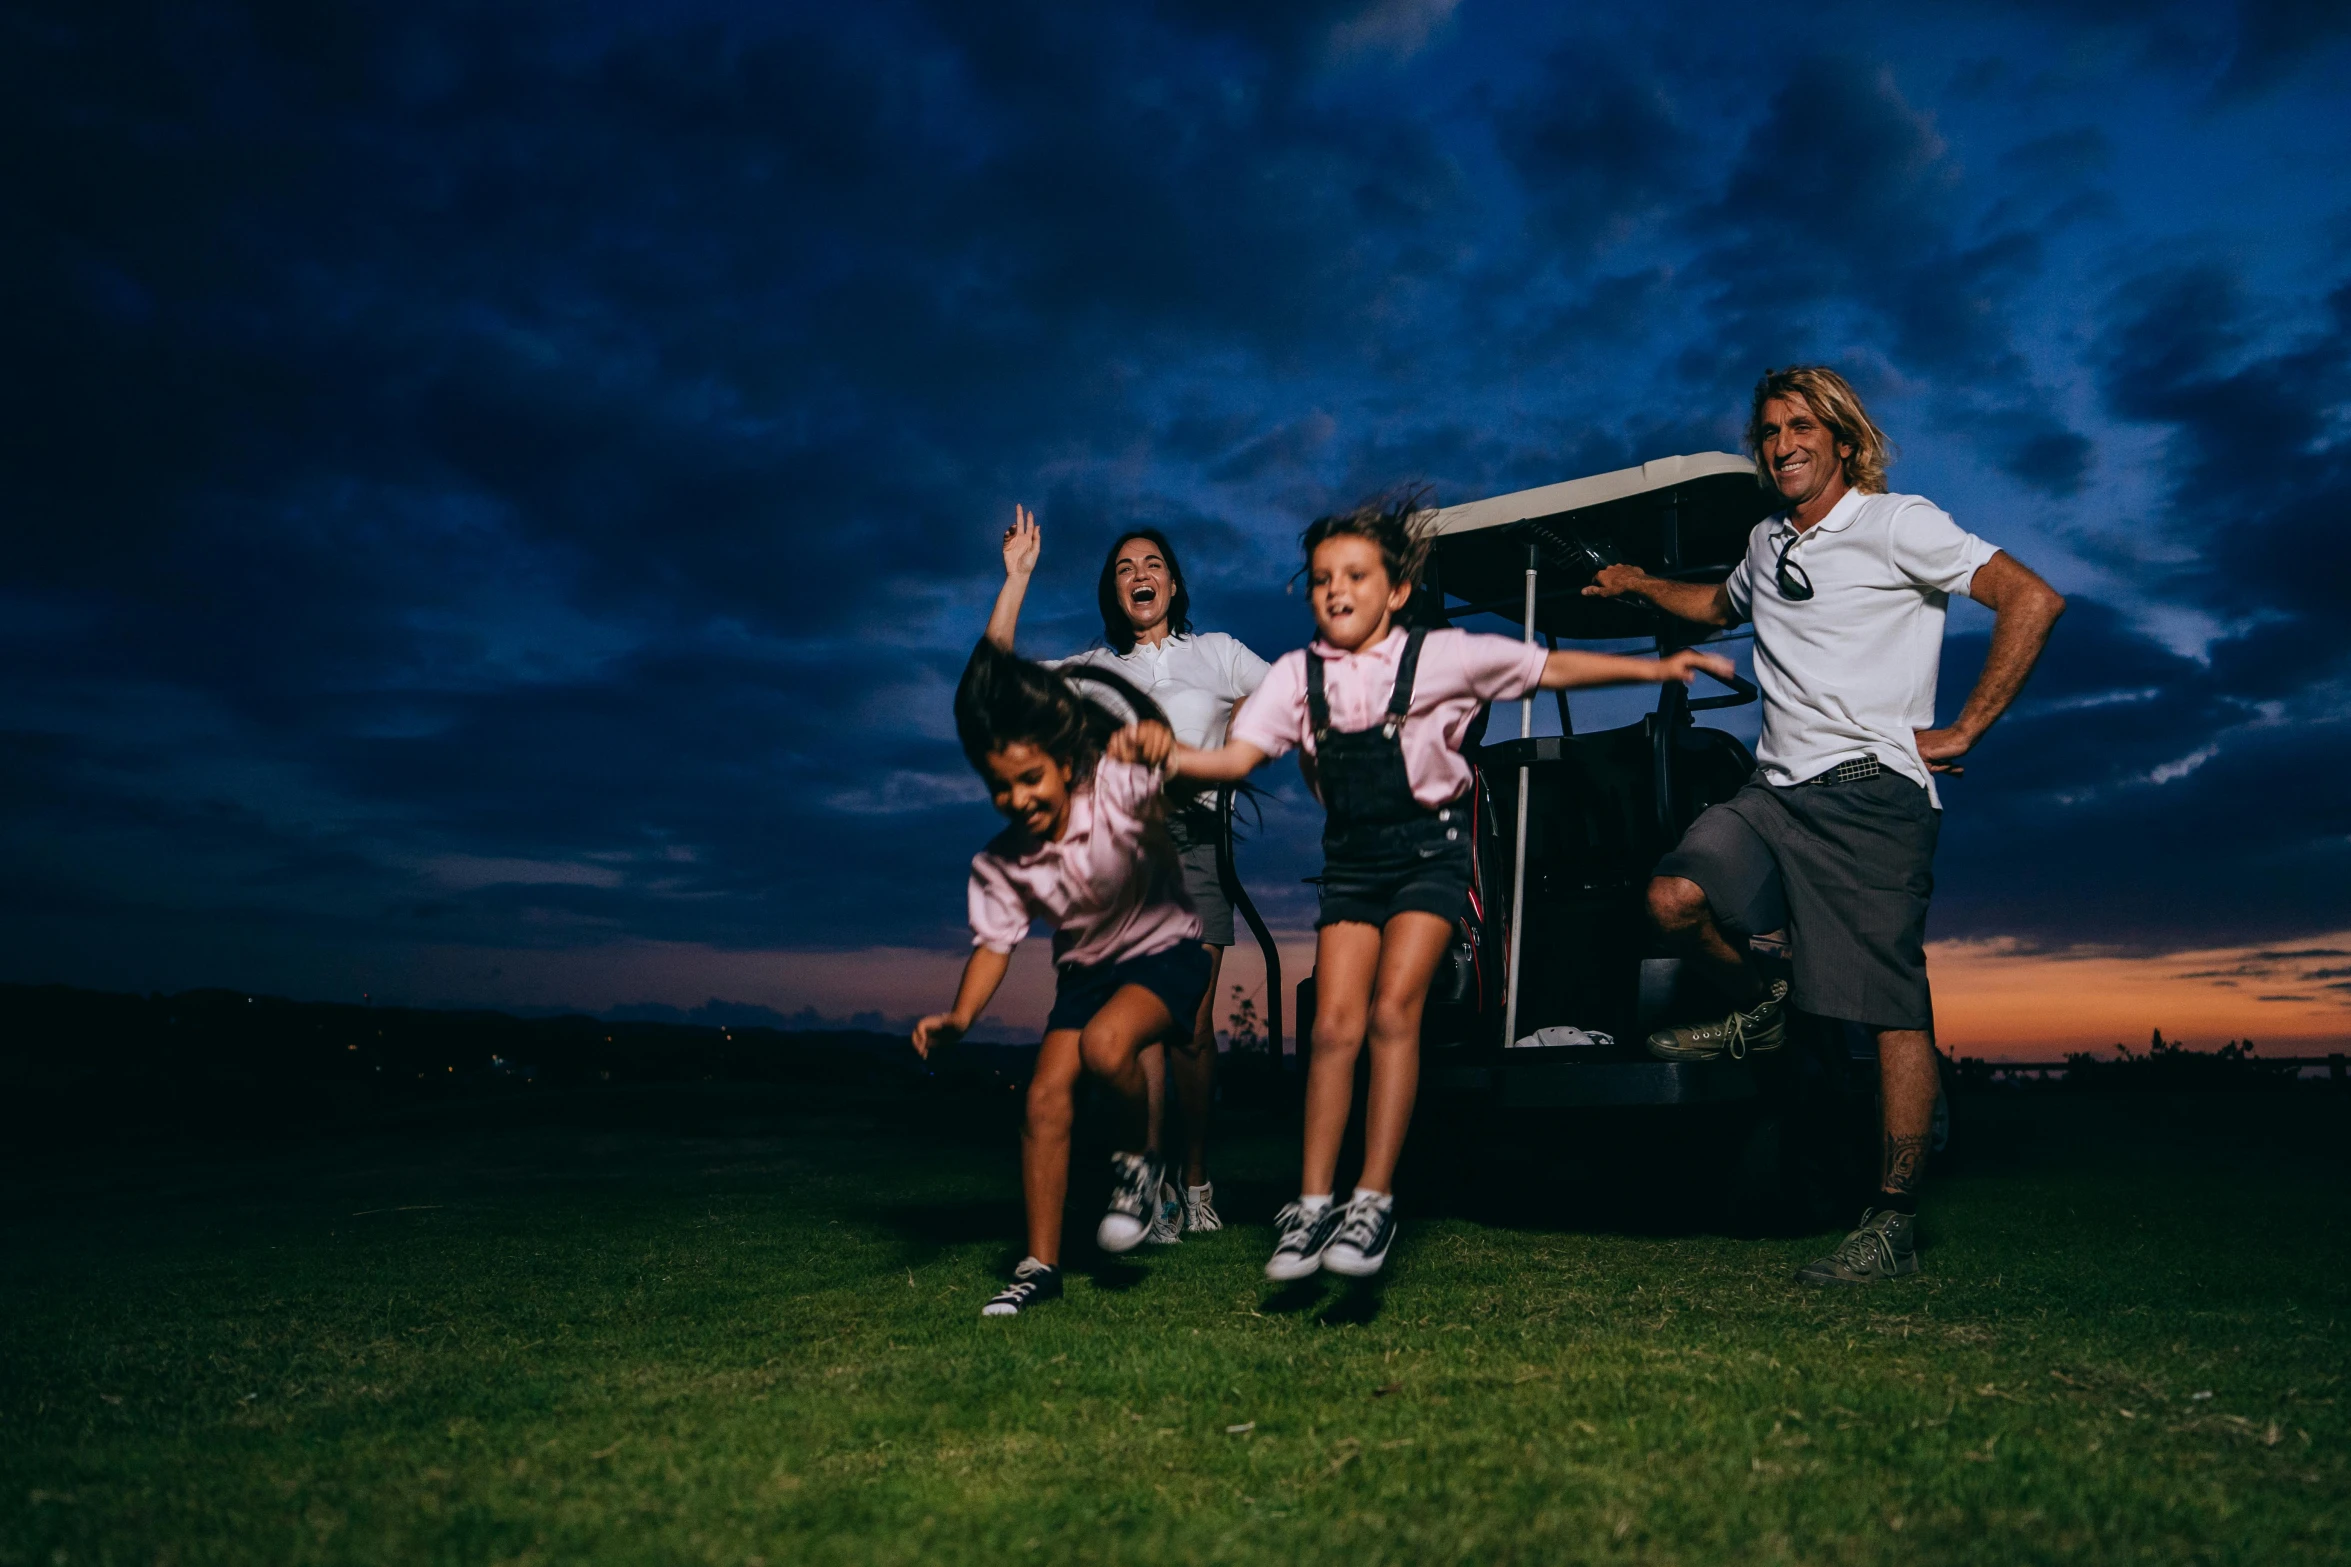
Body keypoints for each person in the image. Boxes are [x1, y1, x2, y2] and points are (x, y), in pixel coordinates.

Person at [1121, 492, 1733, 1282]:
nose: (1336, 590)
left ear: (1395, 589)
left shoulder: (1443, 655)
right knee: (1335, 1026)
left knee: (1390, 1010)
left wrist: (1656, 665)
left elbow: (1547, 669)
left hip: (1430, 853)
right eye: (1320, 579)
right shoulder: (1296, 675)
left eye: (1355, 574)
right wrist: (1167, 755)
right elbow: (1235, 760)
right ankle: (1311, 1204)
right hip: (1353, 860)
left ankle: (1372, 1199)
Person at [1584, 366, 2064, 1286]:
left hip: (1869, 794)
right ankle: (1768, 1003)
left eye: (1801, 426)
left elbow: (2031, 598)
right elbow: (1716, 604)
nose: (1781, 444)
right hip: (1773, 792)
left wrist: (1963, 728)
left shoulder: (1897, 522)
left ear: (1842, 438)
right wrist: (1641, 581)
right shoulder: (1765, 541)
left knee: (1888, 1009)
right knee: (1669, 899)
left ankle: (1891, 1221)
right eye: (1768, 431)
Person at [985, 507, 1270, 1244]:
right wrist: (1015, 579)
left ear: (1173, 583)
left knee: (1193, 1027)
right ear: (1113, 594)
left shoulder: (1217, 651)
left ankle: (1195, 1176)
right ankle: (1148, 1187)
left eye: (1151, 565)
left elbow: (1289, 697)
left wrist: (1241, 729)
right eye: (1123, 569)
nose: (1139, 575)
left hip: (1196, 836)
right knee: (1140, 1024)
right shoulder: (1093, 672)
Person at [911, 640, 1209, 1317]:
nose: (1016, 798)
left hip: (1166, 953)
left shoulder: (1113, 787)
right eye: (999, 786)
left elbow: (1183, 780)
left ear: (1065, 763)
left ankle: (1139, 1161)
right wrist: (959, 1018)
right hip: (1086, 973)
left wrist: (1163, 748)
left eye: (1029, 779)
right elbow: (993, 948)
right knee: (1043, 1097)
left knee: (1109, 1047)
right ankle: (1039, 1265)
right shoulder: (1001, 862)